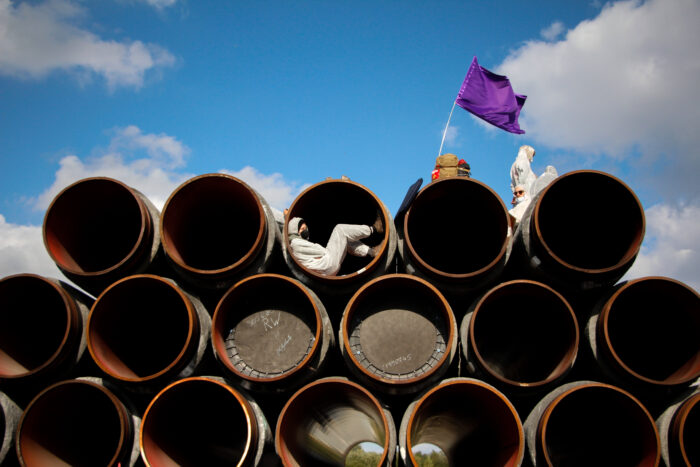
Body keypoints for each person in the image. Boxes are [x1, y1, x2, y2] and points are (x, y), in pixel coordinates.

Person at [287, 216, 383, 276]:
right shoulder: (296, 243)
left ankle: (373, 252)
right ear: (295, 231)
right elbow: (321, 251)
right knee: (340, 229)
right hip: (327, 264)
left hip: (326, 270)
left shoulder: (296, 244)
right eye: (303, 228)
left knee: (346, 239)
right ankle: (374, 228)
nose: (306, 231)